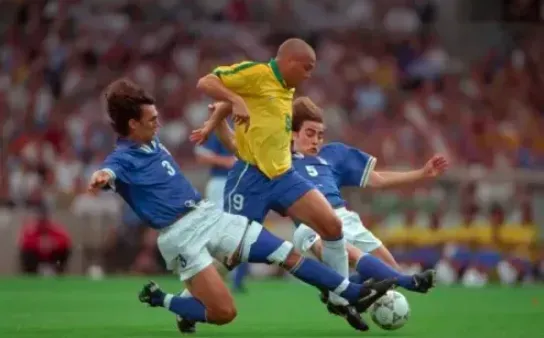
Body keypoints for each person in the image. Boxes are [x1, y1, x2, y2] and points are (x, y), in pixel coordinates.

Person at [88, 79, 397, 333]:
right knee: (224, 313)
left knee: (287, 254)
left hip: (208, 214)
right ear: (132, 124)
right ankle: (162, 299)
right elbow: (109, 171)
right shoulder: (122, 159)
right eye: (151, 119)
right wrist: (102, 176)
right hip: (180, 236)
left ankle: (351, 292)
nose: (158, 124)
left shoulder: (150, 140)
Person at [192, 98, 447, 301]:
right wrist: (219, 121)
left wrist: (422, 174)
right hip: (310, 226)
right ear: (292, 133)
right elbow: (237, 146)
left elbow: (377, 179)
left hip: (347, 219)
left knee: (389, 271)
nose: (316, 140)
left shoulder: (334, 155)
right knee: (232, 252)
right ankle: (402, 283)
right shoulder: (278, 159)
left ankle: (349, 295)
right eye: (310, 133)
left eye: (320, 135)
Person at [196, 38, 355, 315]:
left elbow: (243, 103)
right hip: (250, 178)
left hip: (284, 176)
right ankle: (190, 302)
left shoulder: (286, 88)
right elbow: (206, 83)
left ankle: (341, 298)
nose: (309, 75)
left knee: (332, 226)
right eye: (307, 68)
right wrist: (232, 101)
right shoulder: (257, 74)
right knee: (229, 255)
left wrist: (214, 120)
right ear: (290, 62)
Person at [194, 125, 249, 292]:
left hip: (243, 184)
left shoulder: (249, 124)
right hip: (221, 182)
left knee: (244, 229)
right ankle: (208, 275)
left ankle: (238, 279)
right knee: (219, 230)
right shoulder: (221, 125)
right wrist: (227, 162)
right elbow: (201, 155)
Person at [18, 206, 72, 275]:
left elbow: (65, 240)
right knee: (26, 252)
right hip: (36, 257)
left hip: (53, 257)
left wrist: (53, 243)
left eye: (44, 220)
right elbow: (24, 241)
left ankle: (59, 271)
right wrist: (39, 243)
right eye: (41, 220)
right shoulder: (31, 230)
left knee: (65, 251)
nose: (43, 223)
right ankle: (31, 274)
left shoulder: (55, 229)